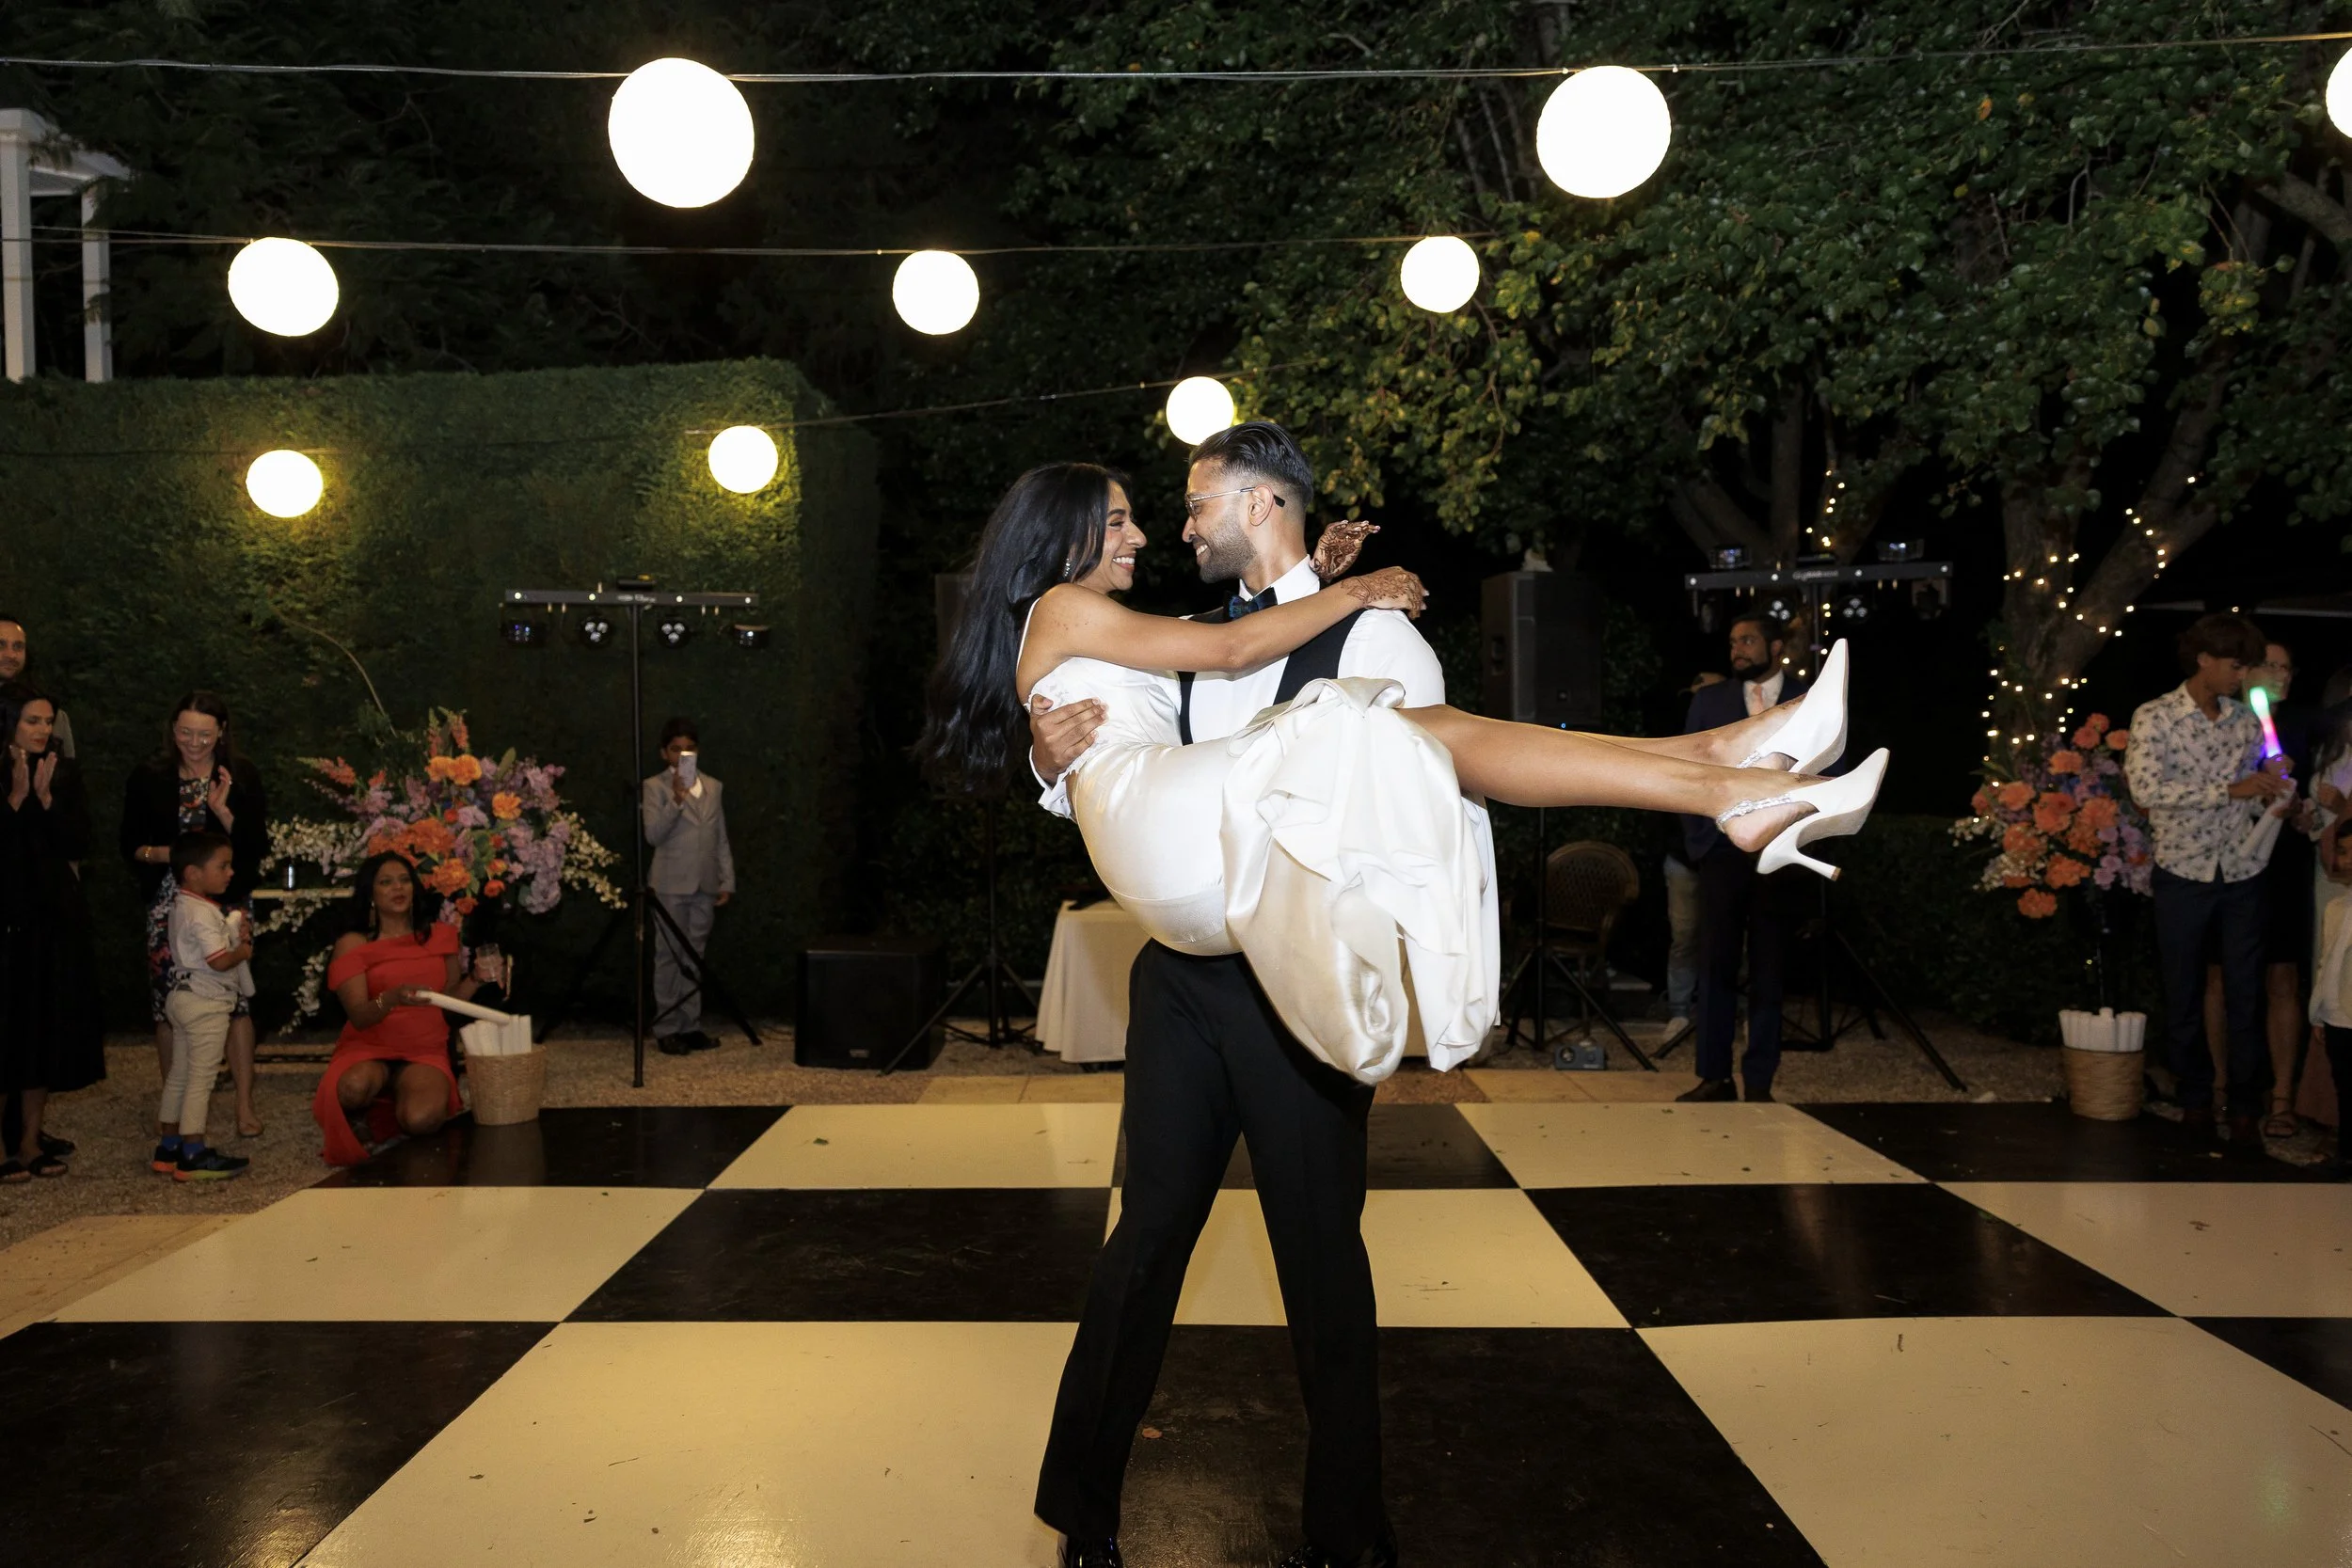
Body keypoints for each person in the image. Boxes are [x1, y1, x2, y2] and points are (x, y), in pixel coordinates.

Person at [944, 427, 1881, 1568]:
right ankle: (1081, 1514)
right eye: (1145, 513)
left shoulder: (1375, 626)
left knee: (1321, 1260)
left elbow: (1411, 807)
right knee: (1142, 1246)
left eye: (1190, 505)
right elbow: (1123, 728)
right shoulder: (1189, 633)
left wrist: (1344, 599)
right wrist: (1046, 753)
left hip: (1298, 969)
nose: (1171, 527)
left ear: (1260, 503)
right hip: (1187, 973)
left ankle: (1349, 1532)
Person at [2124, 612, 2290, 1150]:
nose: (2242, 676)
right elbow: (2147, 790)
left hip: (2243, 869)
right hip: (2183, 870)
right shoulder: (2156, 717)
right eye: (2235, 665)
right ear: (2205, 660)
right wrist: (2231, 789)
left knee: (2246, 993)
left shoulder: (2246, 721)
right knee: (2184, 990)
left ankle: (2245, 1109)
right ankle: (2195, 1101)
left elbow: (2256, 787)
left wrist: (2271, 783)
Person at [1675, 613, 1821, 1104]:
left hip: (1780, 854)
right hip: (1720, 852)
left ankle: (1760, 1081)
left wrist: (1803, 836)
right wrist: (1700, 840)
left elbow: (1830, 766)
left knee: (1769, 966)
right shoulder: (1710, 700)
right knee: (1714, 963)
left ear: (1775, 646)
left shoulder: (1809, 698)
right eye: (1733, 641)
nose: (1737, 649)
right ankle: (1713, 1076)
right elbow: (1687, 767)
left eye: (1748, 640)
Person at [120, 692, 270, 1140]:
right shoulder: (149, 777)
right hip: (168, 899)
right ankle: (176, 1104)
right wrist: (171, 855)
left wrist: (225, 815)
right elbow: (128, 845)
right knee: (170, 1001)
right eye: (186, 732)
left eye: (205, 733)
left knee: (235, 1000)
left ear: (222, 732)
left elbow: (255, 849)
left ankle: (244, 1104)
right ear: (172, 730)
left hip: (228, 896)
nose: (194, 741)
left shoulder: (241, 776)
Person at [311, 852, 508, 1164]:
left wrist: (476, 978)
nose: (397, 888)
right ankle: (369, 1109)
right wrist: (391, 998)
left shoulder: (441, 936)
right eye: (386, 882)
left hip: (424, 1048)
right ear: (371, 894)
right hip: (369, 1045)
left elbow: (451, 1002)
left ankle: (394, 1105)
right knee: (352, 1088)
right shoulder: (353, 943)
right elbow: (360, 1017)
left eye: (404, 880)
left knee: (421, 1120)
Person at [2204, 641, 2321, 1139]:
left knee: (2282, 978)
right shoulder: (2220, 723)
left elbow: (2314, 804)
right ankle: (2217, 1087)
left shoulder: (2302, 729)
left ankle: (2280, 1099)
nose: (2282, 674)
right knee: (2218, 977)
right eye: (2271, 665)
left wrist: (2296, 806)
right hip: (2225, 863)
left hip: (2281, 865)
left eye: (2288, 667)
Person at [0, 684, 103, 1180]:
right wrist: (17, 799)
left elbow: (79, 840)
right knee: (5, 1030)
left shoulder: (65, 771)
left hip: (51, 914)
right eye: (31, 721)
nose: (42, 730)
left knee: (41, 1028)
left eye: (47, 722)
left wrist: (44, 799)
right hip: (5, 914)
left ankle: (27, 1144)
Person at [154, 832, 256, 1182]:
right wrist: (242, 950)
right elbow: (218, 961)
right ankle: (194, 1152)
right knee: (201, 1078)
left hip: (180, 997)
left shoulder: (182, 905)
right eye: (222, 865)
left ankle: (168, 1146)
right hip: (206, 1003)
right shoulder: (202, 913)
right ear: (193, 873)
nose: (230, 872)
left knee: (180, 1075)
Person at [641, 716, 735, 1055]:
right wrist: (676, 800)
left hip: (705, 884)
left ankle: (690, 1025)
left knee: (695, 956)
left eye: (689, 749)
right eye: (676, 749)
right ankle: (666, 1027)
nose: (683, 755)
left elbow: (720, 837)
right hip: (670, 884)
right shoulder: (654, 787)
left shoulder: (713, 786)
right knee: (668, 957)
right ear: (664, 754)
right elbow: (653, 835)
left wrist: (727, 879)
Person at [0, 614, 74, 757]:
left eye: (18, 646)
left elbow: (67, 773)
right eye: (0, 645)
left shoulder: (53, 717)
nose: (11, 655)